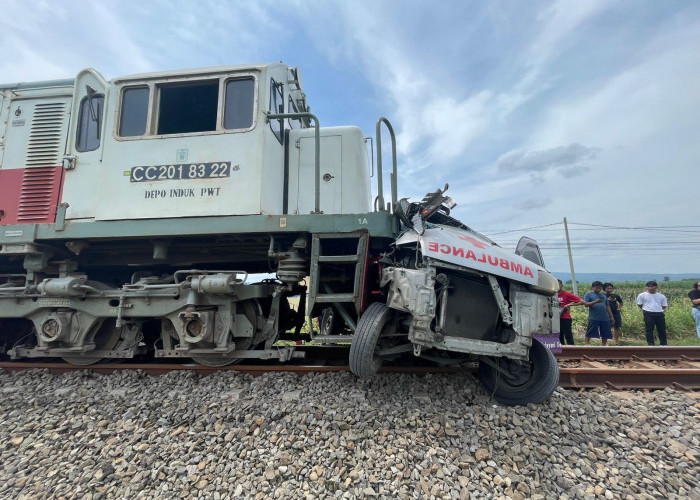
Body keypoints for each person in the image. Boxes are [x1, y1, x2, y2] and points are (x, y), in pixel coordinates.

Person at [636, 280, 668, 346]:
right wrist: (646, 309)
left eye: (652, 286)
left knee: (662, 329)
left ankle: (663, 344)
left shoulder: (661, 296)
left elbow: (664, 306)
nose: (650, 288)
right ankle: (651, 344)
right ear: (647, 287)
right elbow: (639, 304)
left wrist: (659, 309)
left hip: (659, 313)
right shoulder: (642, 295)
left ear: (656, 287)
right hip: (648, 313)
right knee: (649, 330)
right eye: (649, 286)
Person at [583, 281, 614, 346]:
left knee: (605, 332)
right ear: (593, 287)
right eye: (596, 288)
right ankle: (586, 344)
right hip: (594, 317)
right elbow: (585, 304)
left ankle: (603, 345)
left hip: (605, 317)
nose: (598, 289)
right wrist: (596, 301)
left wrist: (611, 316)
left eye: (600, 288)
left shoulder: (603, 295)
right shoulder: (588, 294)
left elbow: (607, 306)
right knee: (590, 331)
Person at [557, 279, 584, 345]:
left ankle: (571, 351)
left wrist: (569, 304)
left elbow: (582, 301)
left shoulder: (566, 294)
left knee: (568, 336)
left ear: (561, 285)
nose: (556, 286)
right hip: (555, 318)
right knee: (558, 336)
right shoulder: (551, 294)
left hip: (565, 318)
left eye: (558, 284)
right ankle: (562, 353)